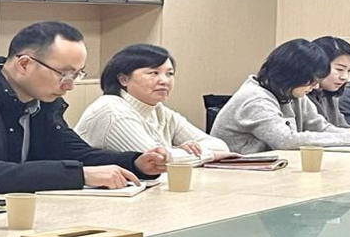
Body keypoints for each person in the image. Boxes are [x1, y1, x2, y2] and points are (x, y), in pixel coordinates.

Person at [0, 21, 169, 200]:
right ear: (24, 64)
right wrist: (81, 175)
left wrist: (134, 162)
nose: (70, 85)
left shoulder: (41, 98)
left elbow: (73, 152)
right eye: (64, 73)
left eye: (77, 74)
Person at [75, 44, 234, 166]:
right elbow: (155, 162)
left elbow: (220, 147)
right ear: (124, 79)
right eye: (154, 73)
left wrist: (181, 152)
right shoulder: (112, 111)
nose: (164, 81)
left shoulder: (159, 111)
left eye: (169, 74)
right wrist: (207, 155)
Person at [211, 39, 350, 154]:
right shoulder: (256, 100)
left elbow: (320, 127)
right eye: (312, 81)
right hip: (236, 175)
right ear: (293, 75)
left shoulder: (293, 93)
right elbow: (285, 140)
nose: (316, 87)